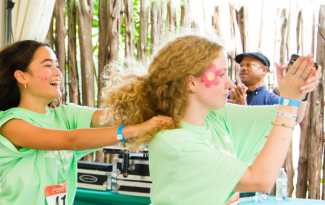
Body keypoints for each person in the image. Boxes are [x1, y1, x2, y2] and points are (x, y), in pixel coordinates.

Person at [100, 34, 321, 204]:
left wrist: (300, 89)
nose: (230, 84)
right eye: (221, 74)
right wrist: (290, 101)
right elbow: (261, 179)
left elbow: (293, 116)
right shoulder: (175, 143)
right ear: (191, 83)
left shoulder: (217, 117)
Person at [0, 40, 173, 204]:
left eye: (57, 65)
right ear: (22, 77)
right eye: (48, 66)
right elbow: (71, 140)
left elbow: (112, 116)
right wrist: (133, 130)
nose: (58, 72)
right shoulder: (10, 125)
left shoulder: (66, 116)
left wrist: (159, 99)